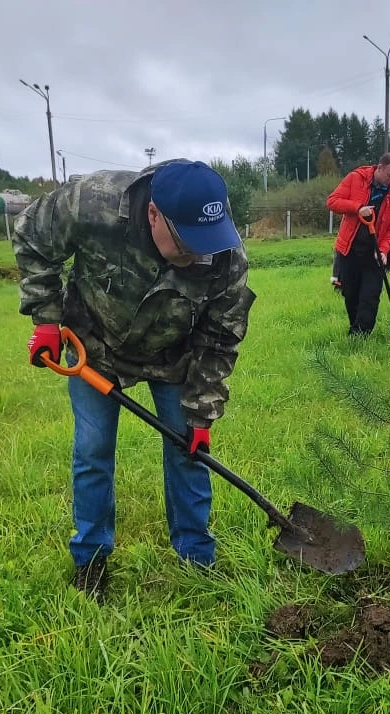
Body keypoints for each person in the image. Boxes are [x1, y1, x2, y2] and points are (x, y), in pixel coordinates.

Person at [14, 160, 254, 600]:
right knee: (92, 449)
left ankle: (196, 557)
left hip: (174, 357)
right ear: (154, 214)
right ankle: (91, 560)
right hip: (95, 347)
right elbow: (32, 236)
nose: (197, 255)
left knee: (188, 452)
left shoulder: (225, 254)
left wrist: (202, 414)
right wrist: (46, 319)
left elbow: (220, 339)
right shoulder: (92, 202)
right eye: (186, 244)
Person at [326, 153, 390, 335]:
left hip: (376, 252)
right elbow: (332, 201)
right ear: (379, 168)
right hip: (350, 248)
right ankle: (355, 327)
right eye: (389, 175)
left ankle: (360, 335)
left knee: (370, 296)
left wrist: (384, 249)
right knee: (350, 292)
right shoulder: (356, 178)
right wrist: (357, 208)